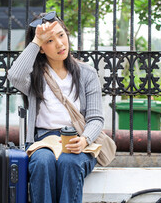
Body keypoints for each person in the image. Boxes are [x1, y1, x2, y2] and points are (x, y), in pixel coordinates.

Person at [8, 11, 104, 203]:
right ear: (42, 49)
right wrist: (36, 41)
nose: (60, 44)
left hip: (77, 138)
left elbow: (96, 119)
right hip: (43, 139)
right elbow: (15, 76)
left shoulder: (87, 73)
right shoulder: (35, 77)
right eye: (50, 41)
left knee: (70, 163)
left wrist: (85, 140)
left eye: (61, 35)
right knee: (42, 162)